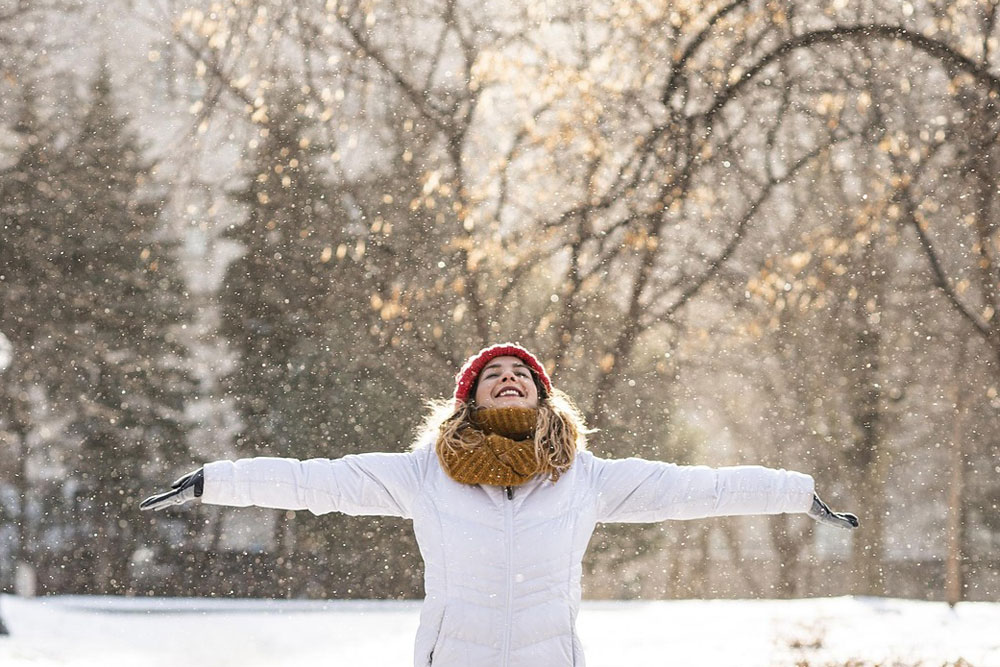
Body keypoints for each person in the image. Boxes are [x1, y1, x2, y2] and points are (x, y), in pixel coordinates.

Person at [141, 342, 857, 667]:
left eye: (522, 374)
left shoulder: (586, 478)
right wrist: (214, 478)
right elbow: (315, 481)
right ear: (470, 400)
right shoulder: (425, 474)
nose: (509, 378)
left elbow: (698, 488)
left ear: (544, 398)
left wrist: (797, 492)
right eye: (494, 375)